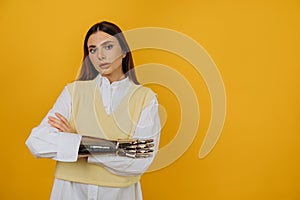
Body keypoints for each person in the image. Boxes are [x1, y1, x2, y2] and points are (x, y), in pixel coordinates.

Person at [25, 21, 161, 200]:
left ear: (123, 51)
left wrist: (77, 143)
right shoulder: (73, 92)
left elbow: (140, 158)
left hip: (119, 194)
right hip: (70, 192)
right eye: (93, 50)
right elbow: (37, 142)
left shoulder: (145, 98)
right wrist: (115, 148)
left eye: (108, 46)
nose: (100, 55)